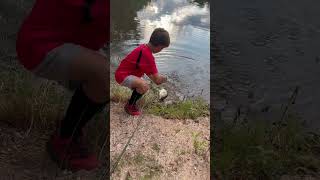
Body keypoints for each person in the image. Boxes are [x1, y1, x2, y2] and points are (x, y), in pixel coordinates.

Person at [16, 0, 109, 171]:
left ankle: (71, 127)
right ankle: (65, 138)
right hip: (40, 44)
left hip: (70, 39)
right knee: (107, 77)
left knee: (108, 77)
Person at [115, 28, 169, 116]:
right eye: (162, 48)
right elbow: (157, 81)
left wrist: (155, 77)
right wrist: (166, 78)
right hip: (122, 76)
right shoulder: (148, 56)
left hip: (124, 73)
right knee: (144, 86)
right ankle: (129, 106)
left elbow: (151, 75)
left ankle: (132, 101)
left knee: (145, 84)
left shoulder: (144, 47)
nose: (161, 50)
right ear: (159, 46)